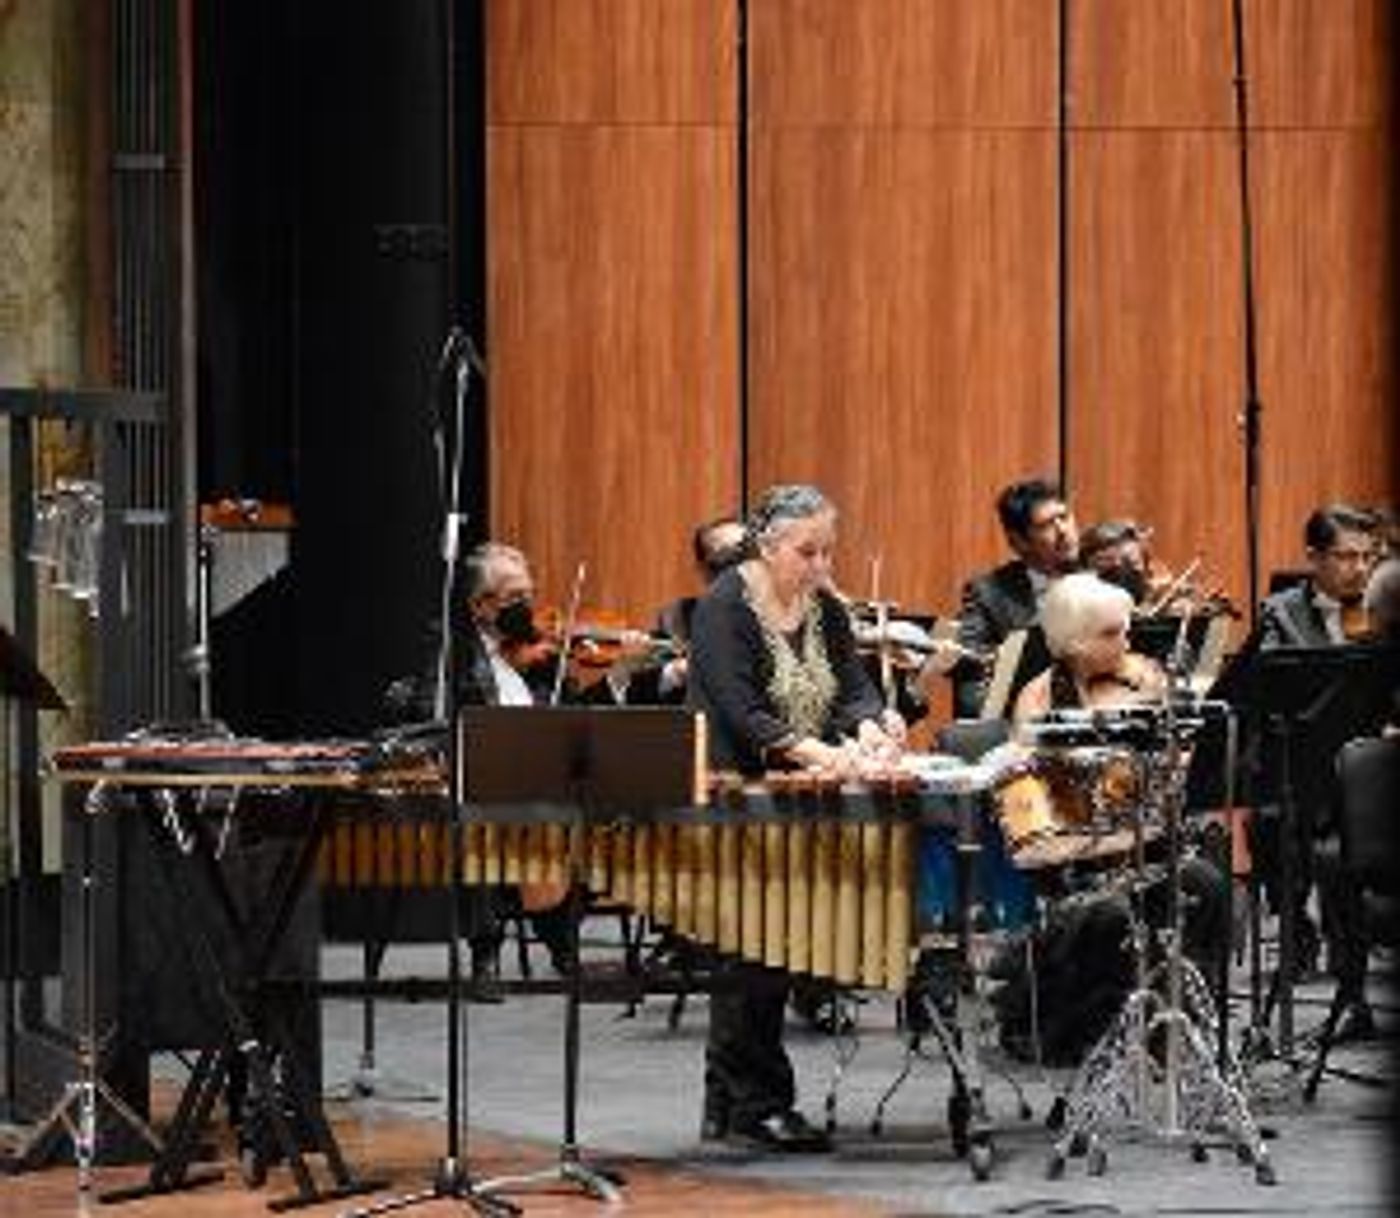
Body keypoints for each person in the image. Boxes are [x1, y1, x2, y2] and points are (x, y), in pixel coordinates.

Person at [687, 483, 904, 1150]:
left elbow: (854, 689)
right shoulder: (725, 607)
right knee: (755, 952)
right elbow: (741, 712)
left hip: (804, 795)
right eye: (806, 552)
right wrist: (821, 755)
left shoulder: (825, 608)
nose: (820, 566)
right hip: (732, 794)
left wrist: (871, 726)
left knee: (768, 952)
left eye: (827, 551)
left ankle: (728, 1100)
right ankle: (756, 1101)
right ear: (767, 545)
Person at [986, 573, 1228, 1065]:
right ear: (1073, 643)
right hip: (1079, 866)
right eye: (1111, 634)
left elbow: (1181, 763)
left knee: (1208, 884)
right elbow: (1038, 815)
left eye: (1126, 629)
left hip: (1151, 848)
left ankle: (1181, 1028)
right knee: (1110, 914)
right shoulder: (1039, 700)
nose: (1128, 643)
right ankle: (1100, 1026)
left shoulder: (1147, 678)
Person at [953, 477, 1080, 718]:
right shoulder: (989, 592)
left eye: (1065, 517)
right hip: (1027, 720)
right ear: (1018, 542)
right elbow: (968, 659)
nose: (1063, 531)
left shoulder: (1100, 577)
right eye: (1047, 525)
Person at [1260, 504, 1378, 646]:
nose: (1361, 569)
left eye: (1367, 556)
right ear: (1314, 558)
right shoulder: (1280, 614)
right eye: (1347, 556)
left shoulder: (1386, 610)